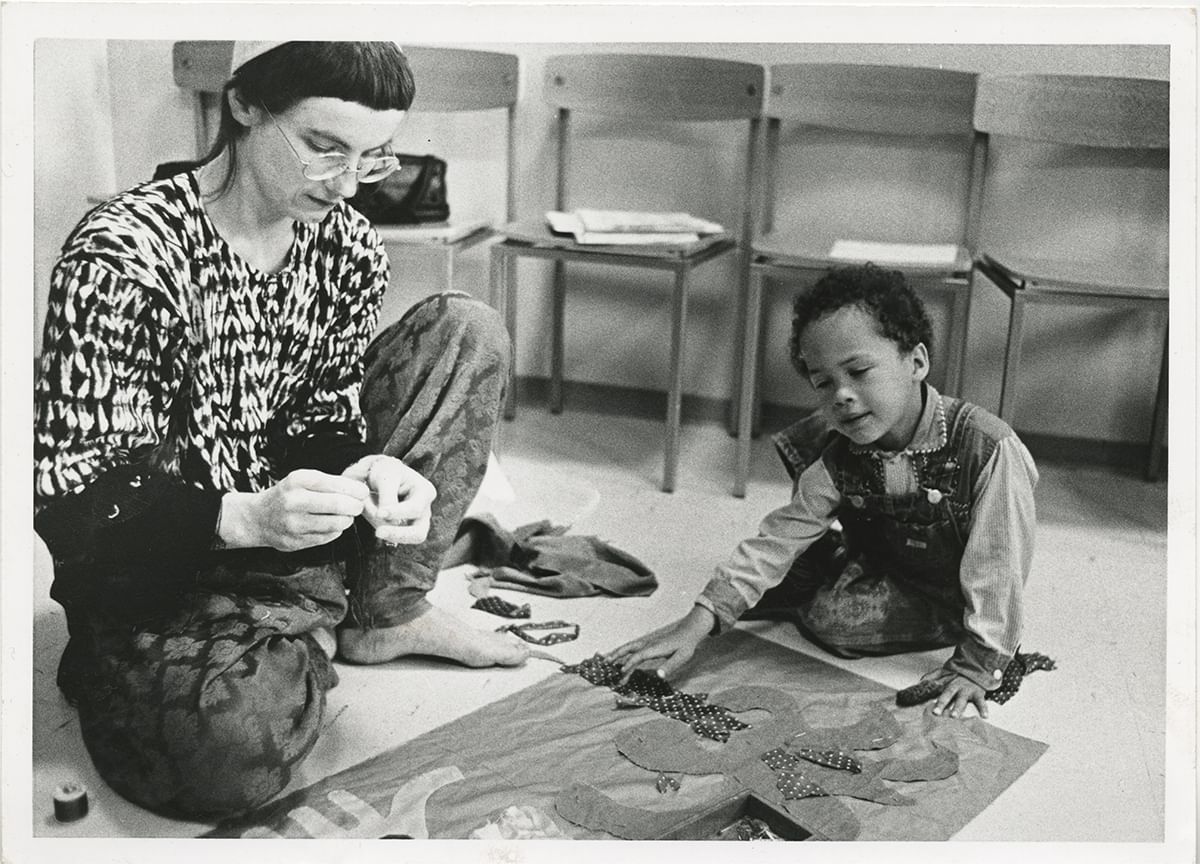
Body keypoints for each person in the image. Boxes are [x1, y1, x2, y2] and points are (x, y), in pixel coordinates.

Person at [33, 40, 528, 820]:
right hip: (162, 571)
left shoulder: (347, 247)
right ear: (243, 105)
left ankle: (378, 613)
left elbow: (321, 415)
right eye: (325, 148)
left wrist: (369, 467)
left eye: (372, 158)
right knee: (224, 762)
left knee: (468, 329)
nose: (343, 185)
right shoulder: (124, 257)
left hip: (289, 539)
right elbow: (73, 501)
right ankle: (305, 623)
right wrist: (246, 516)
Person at [608, 263, 1038, 722]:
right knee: (781, 560)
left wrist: (978, 665)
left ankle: (859, 589)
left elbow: (998, 567)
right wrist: (696, 624)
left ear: (916, 362)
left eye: (858, 371)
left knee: (833, 620)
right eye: (824, 383)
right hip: (881, 558)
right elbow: (776, 538)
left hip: (946, 593)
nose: (842, 395)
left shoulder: (987, 447)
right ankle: (819, 571)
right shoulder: (839, 452)